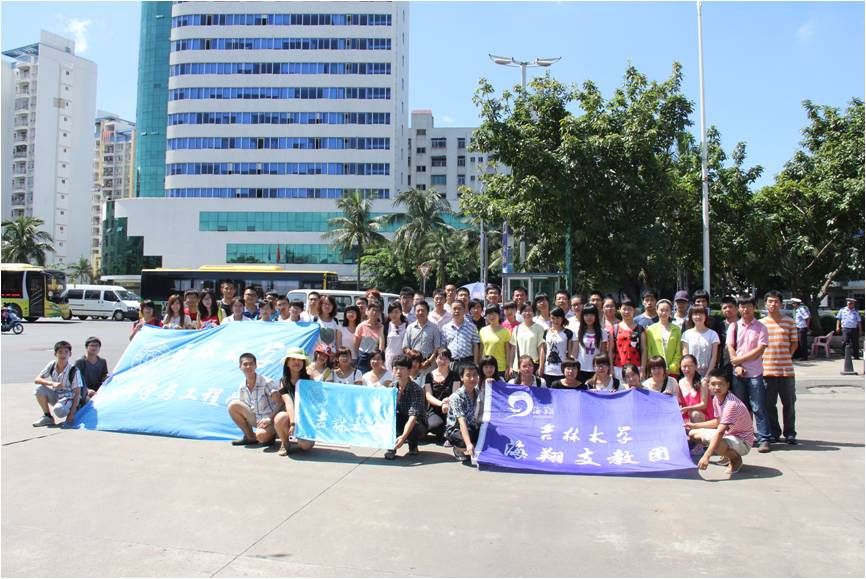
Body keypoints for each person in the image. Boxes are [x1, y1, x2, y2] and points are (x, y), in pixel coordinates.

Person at [686, 368, 754, 477]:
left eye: (720, 384)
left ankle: (735, 459)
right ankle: (726, 453)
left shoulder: (731, 404)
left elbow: (720, 432)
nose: (717, 387)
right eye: (713, 384)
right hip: (730, 435)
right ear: (709, 385)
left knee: (715, 441)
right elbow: (718, 422)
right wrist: (694, 425)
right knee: (693, 433)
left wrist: (706, 456)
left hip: (743, 442)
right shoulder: (716, 399)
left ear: (727, 385)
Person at [726, 295, 771, 453]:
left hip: (755, 373)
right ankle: (746, 437)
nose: (745, 309)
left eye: (748, 306)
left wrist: (739, 360)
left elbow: (759, 350)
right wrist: (737, 365)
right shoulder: (733, 327)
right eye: (742, 306)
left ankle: (764, 438)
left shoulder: (761, 327)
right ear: (739, 308)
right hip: (738, 373)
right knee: (741, 407)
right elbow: (730, 347)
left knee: (758, 407)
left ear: (754, 307)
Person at [760, 290, 799, 445]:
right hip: (767, 371)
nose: (773, 304)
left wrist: (787, 356)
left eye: (776, 301)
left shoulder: (789, 322)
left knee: (789, 404)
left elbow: (794, 343)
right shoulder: (760, 324)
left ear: (781, 304)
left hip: (786, 371)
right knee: (769, 405)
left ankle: (790, 433)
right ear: (765, 304)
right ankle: (774, 433)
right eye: (770, 301)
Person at [227, 352, 279, 447]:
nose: (248, 367)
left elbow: (280, 403)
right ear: (240, 367)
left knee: (261, 436)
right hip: (257, 419)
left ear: (256, 365)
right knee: (233, 405)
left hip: (271, 419)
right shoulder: (242, 386)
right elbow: (244, 409)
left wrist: (269, 419)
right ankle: (250, 437)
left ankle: (271, 434)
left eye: (251, 364)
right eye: (245, 364)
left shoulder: (267, 382)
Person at [273, 348, 316, 456]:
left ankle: (300, 438)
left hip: (305, 418)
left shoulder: (309, 379)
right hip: (291, 416)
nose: (297, 362)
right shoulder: (283, 381)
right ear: (287, 363)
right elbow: (288, 402)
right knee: (280, 417)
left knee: (305, 446)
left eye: (300, 360)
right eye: (293, 359)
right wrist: (293, 423)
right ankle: (285, 442)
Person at [385, 355, 428, 460]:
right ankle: (391, 447)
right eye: (396, 368)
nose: (398, 371)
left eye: (402, 368)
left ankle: (413, 445)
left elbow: (413, 416)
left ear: (409, 370)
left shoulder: (416, 390)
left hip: (417, 423)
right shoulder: (391, 387)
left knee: (414, 426)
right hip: (400, 419)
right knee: (390, 420)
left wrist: (403, 437)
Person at [33, 340, 83, 427]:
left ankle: (73, 413)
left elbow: (77, 393)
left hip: (68, 398)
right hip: (56, 395)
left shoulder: (74, 370)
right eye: (60, 352)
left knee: (59, 411)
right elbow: (37, 379)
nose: (63, 355)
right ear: (55, 354)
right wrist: (52, 383)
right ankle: (48, 417)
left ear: (70, 354)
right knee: (38, 388)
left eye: (66, 352)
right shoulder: (52, 365)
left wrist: (71, 414)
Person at [445, 364, 485, 462]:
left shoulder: (479, 393)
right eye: (468, 375)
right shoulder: (457, 397)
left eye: (475, 375)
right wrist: (468, 444)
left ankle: (473, 445)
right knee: (463, 439)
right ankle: (458, 449)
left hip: (473, 426)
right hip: (457, 429)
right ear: (461, 377)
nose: (472, 378)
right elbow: (461, 421)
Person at [424, 347, 461, 439]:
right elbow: (428, 395)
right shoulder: (429, 375)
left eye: (446, 358)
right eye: (440, 358)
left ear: (450, 360)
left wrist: (447, 402)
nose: (443, 361)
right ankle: (444, 430)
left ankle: (448, 431)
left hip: (451, 408)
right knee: (435, 426)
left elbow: (455, 393)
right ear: (436, 359)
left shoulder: (455, 375)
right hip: (434, 409)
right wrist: (441, 404)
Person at [402, 300, 441, 385]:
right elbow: (405, 347)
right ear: (415, 312)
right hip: (413, 367)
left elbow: (437, 348)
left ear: (428, 312)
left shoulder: (434, 328)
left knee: (428, 387)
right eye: (418, 310)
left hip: (429, 366)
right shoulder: (410, 327)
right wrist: (413, 358)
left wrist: (428, 362)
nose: (420, 312)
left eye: (423, 310)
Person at [612, 296, 647, 381]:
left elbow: (644, 350)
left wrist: (642, 369)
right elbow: (610, 350)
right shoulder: (615, 328)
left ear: (634, 311)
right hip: (618, 367)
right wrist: (611, 368)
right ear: (619, 310)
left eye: (630, 309)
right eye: (624, 309)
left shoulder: (640, 329)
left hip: (636, 367)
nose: (627, 312)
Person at [645, 299, 682, 378]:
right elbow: (649, 351)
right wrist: (655, 366)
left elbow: (678, 351)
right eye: (661, 310)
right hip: (655, 370)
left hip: (672, 371)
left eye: (667, 310)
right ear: (657, 310)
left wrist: (672, 367)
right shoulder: (650, 329)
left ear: (670, 312)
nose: (664, 313)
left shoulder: (677, 329)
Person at [441, 300, 481, 373]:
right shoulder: (445, 328)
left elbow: (475, 345)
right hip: (451, 364)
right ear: (451, 311)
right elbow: (443, 347)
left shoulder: (472, 327)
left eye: (459, 308)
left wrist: (475, 363)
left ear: (464, 310)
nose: (457, 311)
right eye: (454, 309)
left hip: (468, 362)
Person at [680, 306, 720, 377]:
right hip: (690, 373)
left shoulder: (713, 334)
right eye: (695, 314)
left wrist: (707, 376)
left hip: (708, 374)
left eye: (701, 314)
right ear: (691, 317)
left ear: (705, 316)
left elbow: (714, 357)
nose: (698, 316)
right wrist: (692, 374)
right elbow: (685, 356)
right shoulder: (686, 334)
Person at [509, 303, 546, 375]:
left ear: (534, 313)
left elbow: (541, 349)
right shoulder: (517, 328)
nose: (527, 313)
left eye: (530, 310)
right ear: (521, 313)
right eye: (525, 311)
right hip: (518, 367)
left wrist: (541, 366)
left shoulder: (539, 328)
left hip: (533, 366)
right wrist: (511, 366)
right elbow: (513, 348)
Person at [541, 307, 574, 385]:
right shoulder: (546, 332)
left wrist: (568, 368)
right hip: (548, 369)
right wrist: (541, 367)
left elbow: (569, 353)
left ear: (562, 318)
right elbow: (543, 351)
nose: (555, 321)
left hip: (561, 370)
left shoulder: (568, 333)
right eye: (553, 318)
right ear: (550, 318)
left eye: (558, 318)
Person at [576, 304, 608, 383]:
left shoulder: (603, 332)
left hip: (596, 369)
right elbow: (575, 351)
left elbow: (603, 353)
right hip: (581, 368)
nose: (589, 317)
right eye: (586, 315)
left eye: (592, 315)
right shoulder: (578, 331)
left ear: (596, 316)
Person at [479, 305, 513, 379]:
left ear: (499, 315)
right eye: (489, 314)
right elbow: (481, 350)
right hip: (486, 367)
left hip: (500, 367)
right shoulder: (482, 331)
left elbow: (508, 351)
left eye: (494, 313)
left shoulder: (505, 331)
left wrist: (508, 367)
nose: (492, 316)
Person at [678, 354, 712, 423]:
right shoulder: (680, 382)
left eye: (690, 366)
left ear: (696, 367)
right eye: (684, 366)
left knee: (695, 414)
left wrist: (688, 408)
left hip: (702, 415)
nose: (687, 369)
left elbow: (703, 405)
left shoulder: (702, 382)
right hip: (687, 414)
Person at [74, 336, 108, 403]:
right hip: (83, 393)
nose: (94, 348)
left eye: (97, 346)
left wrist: (107, 378)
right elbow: (76, 381)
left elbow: (104, 376)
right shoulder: (80, 362)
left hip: (99, 392)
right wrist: (87, 390)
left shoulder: (102, 361)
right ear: (86, 347)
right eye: (92, 345)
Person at [355, 302, 385, 373]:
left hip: (375, 356)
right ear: (367, 311)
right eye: (373, 310)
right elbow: (356, 343)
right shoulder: (361, 326)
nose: (375, 312)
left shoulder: (381, 326)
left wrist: (380, 356)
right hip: (363, 356)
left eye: (377, 311)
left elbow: (381, 344)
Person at [384, 302, 407, 371]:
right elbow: (382, 345)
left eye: (396, 312)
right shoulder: (385, 326)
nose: (394, 314)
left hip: (402, 358)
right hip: (389, 358)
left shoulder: (407, 326)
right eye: (391, 312)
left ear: (401, 312)